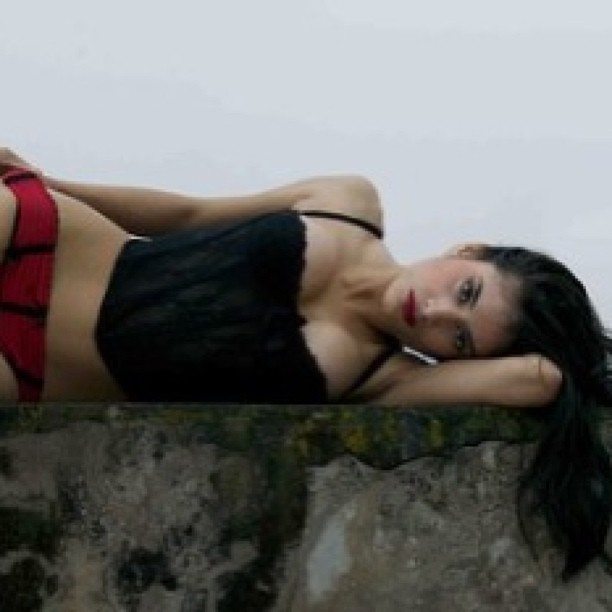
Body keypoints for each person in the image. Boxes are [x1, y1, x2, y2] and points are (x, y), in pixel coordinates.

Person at [0, 147, 609, 579]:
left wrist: (571, 358)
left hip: (29, 365)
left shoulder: (381, 378)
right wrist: (52, 182)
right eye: (466, 289)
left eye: (460, 338)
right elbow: (188, 215)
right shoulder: (346, 203)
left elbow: (540, 379)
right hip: (45, 236)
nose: (437, 312)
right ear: (468, 249)